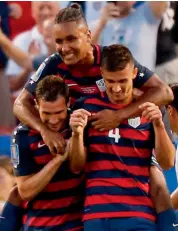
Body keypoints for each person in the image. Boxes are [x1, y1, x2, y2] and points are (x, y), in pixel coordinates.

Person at [13, 3, 173, 156]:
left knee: (157, 179)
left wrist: (119, 116)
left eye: (71, 39)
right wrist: (45, 131)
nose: (64, 48)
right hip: (79, 147)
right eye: (59, 41)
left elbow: (164, 92)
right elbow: (20, 104)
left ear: (88, 36)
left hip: (125, 141)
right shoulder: (54, 63)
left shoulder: (110, 58)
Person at [69, 44, 175, 231]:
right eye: (110, 81)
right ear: (101, 73)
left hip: (138, 215)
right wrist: (77, 135)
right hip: (96, 214)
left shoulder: (148, 108)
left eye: (122, 81)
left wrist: (158, 125)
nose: (116, 88)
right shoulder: (87, 107)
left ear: (134, 73)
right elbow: (76, 167)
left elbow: (167, 163)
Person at [10, 75, 84, 231]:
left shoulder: (78, 124)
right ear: (36, 104)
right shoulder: (22, 135)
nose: (54, 120)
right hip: (38, 227)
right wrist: (57, 160)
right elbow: (25, 191)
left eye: (59, 112)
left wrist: (77, 136)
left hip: (76, 226)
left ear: (68, 103)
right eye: (47, 113)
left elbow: (78, 168)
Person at [90, 1, 167, 71]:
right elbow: (87, 54)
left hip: (142, 83)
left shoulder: (146, 15)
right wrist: (101, 24)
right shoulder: (98, 25)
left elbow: (159, 5)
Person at [5, 1, 59, 100]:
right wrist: (30, 66)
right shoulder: (21, 40)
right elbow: (13, 85)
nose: (46, 12)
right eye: (41, 8)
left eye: (50, 8)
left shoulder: (68, 41)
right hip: (29, 105)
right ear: (33, 12)